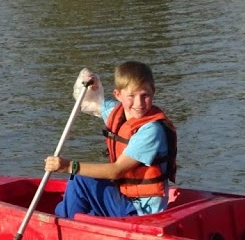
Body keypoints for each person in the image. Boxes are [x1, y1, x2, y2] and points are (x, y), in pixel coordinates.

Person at [45, 61, 177, 219]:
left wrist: (68, 166)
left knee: (78, 177)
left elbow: (116, 171)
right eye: (131, 96)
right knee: (78, 184)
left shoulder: (151, 131)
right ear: (118, 95)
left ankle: (65, 223)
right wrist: (88, 82)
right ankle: (68, 216)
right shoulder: (117, 113)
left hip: (141, 211)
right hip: (125, 198)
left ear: (153, 92)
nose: (139, 103)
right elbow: (89, 103)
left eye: (145, 95)